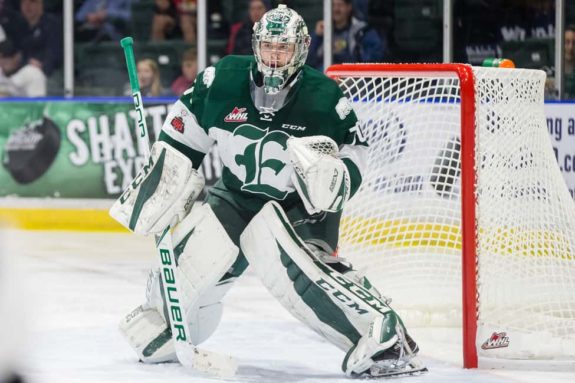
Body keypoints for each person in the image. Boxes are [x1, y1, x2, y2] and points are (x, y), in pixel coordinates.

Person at [110, 4, 426, 378]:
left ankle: (387, 340)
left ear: (301, 49)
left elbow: (355, 153)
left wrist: (336, 180)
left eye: (284, 48)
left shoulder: (323, 98)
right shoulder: (221, 81)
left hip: (297, 207)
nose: (275, 58)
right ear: (256, 46)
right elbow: (184, 131)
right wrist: (164, 180)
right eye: (268, 47)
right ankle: (168, 322)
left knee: (296, 273)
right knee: (184, 271)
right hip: (236, 195)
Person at [307, 0, 385, 71]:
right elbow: (308, 61)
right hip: (324, 79)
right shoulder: (322, 31)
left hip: (353, 80)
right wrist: (317, 36)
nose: (336, 9)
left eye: (340, 5)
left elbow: (375, 57)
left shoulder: (362, 31)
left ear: (349, 7)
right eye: (333, 5)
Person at [20, 0, 63, 77]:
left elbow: (54, 52)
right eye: (24, 2)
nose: (27, 6)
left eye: (32, 2)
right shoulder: (18, 25)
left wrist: (43, 66)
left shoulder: (52, 24)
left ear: (41, 5)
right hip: (22, 72)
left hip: (50, 73)